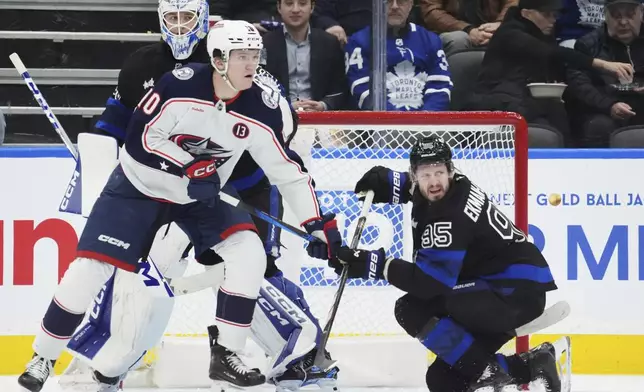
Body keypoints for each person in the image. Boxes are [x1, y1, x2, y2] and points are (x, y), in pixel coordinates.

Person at [17, 19, 343, 392]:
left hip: (197, 197)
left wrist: (317, 223)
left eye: (255, 55)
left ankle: (227, 355)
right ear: (219, 59)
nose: (252, 64)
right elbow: (141, 138)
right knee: (90, 268)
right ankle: (43, 356)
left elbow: (287, 172)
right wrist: (188, 165)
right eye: (242, 56)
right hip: (139, 187)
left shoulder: (260, 107)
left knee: (249, 252)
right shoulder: (179, 84)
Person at [331, 135, 563, 392]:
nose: (434, 181)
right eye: (426, 174)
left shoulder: (449, 217)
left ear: (450, 171)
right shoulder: (452, 185)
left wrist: (376, 264)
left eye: (439, 173)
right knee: (444, 381)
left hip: (511, 294)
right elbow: (414, 185)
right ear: (415, 174)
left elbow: (431, 283)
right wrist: (388, 181)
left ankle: (486, 370)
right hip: (493, 290)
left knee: (411, 308)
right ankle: (534, 365)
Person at [467, 0, 634, 146]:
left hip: (528, 101)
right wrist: (603, 64)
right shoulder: (510, 33)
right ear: (527, 13)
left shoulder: (543, 33)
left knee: (562, 113)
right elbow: (551, 52)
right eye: (547, 15)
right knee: (549, 126)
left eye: (554, 15)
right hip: (496, 102)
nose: (553, 20)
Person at [345, 0, 452, 111]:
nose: (395, 6)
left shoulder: (430, 39)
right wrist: (397, 121)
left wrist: (424, 120)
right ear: (376, 6)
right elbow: (362, 90)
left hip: (425, 123)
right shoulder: (359, 41)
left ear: (410, 5)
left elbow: (440, 85)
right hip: (381, 124)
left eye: (401, 1)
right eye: (388, 1)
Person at [566, 0, 644, 147]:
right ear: (605, 16)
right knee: (599, 125)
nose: (623, 22)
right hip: (604, 107)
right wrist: (609, 105)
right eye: (616, 16)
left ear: (642, 14)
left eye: (630, 15)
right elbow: (578, 84)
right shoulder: (587, 44)